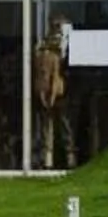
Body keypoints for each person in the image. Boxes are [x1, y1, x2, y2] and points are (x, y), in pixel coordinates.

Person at [33, 24, 72, 168]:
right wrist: (51, 96)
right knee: (59, 125)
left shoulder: (41, 56)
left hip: (49, 94)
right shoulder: (52, 57)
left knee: (49, 127)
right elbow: (52, 77)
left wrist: (44, 94)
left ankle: (49, 158)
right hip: (55, 94)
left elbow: (43, 77)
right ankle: (63, 157)